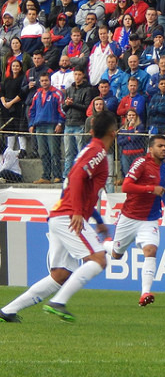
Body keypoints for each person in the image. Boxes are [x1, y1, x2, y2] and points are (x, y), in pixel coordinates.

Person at [0, 111, 117, 323]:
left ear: (91, 131)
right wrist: (76, 211)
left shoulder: (90, 150)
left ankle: (7, 310)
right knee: (99, 259)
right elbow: (76, 177)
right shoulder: (98, 151)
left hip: (60, 216)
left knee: (60, 274)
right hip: (68, 216)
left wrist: (98, 222)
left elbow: (82, 188)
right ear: (114, 132)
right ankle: (58, 302)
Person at [104, 135, 165, 307]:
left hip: (150, 220)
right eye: (160, 146)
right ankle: (106, 245)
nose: (164, 149)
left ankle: (145, 293)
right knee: (116, 255)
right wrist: (151, 189)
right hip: (129, 217)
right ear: (151, 149)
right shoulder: (141, 163)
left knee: (150, 250)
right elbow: (126, 186)